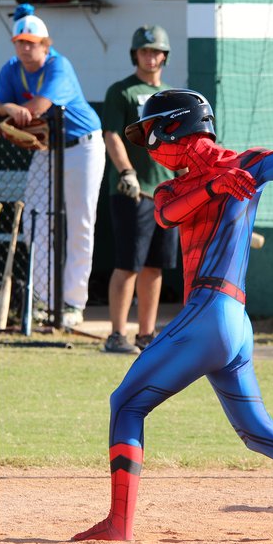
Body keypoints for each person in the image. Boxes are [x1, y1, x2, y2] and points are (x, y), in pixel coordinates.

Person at [72, 89, 273, 541]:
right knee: (259, 432)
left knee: (125, 404)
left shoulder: (248, 164)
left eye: (152, 134)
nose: (151, 146)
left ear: (176, 126)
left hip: (210, 313)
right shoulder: (174, 187)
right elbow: (167, 215)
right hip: (231, 322)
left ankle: (119, 525)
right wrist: (215, 186)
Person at [0, 11, 105, 328]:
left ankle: (73, 303)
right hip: (47, 150)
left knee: (80, 223)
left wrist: (9, 114)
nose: (25, 48)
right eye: (20, 42)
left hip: (82, 146)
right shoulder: (12, 68)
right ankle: (44, 300)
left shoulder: (59, 65)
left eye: (32, 43)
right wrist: (8, 108)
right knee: (36, 221)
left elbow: (38, 108)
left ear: (45, 44)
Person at [101, 25, 180, 353]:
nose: (151, 57)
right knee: (128, 264)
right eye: (145, 51)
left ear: (165, 56)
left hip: (167, 193)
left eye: (156, 51)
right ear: (135, 54)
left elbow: (180, 143)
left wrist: (185, 180)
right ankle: (117, 335)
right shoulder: (122, 91)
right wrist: (127, 172)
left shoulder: (173, 96)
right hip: (132, 192)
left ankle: (146, 335)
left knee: (155, 266)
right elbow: (111, 135)